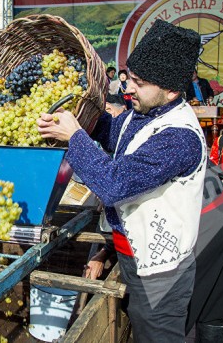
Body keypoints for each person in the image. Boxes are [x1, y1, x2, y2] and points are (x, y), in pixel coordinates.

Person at [37, 20, 206, 342]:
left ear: (170, 90)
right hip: (130, 253)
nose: (127, 88)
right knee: (140, 325)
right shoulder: (140, 115)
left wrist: (74, 136)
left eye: (139, 83)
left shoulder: (179, 137)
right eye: (128, 78)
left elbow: (114, 184)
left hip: (161, 271)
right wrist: (80, 111)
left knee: (159, 334)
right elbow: (109, 130)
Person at [85, 160, 223, 342]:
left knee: (168, 320)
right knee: (212, 311)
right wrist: (105, 251)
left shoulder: (131, 154)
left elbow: (135, 216)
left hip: (201, 224)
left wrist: (106, 250)